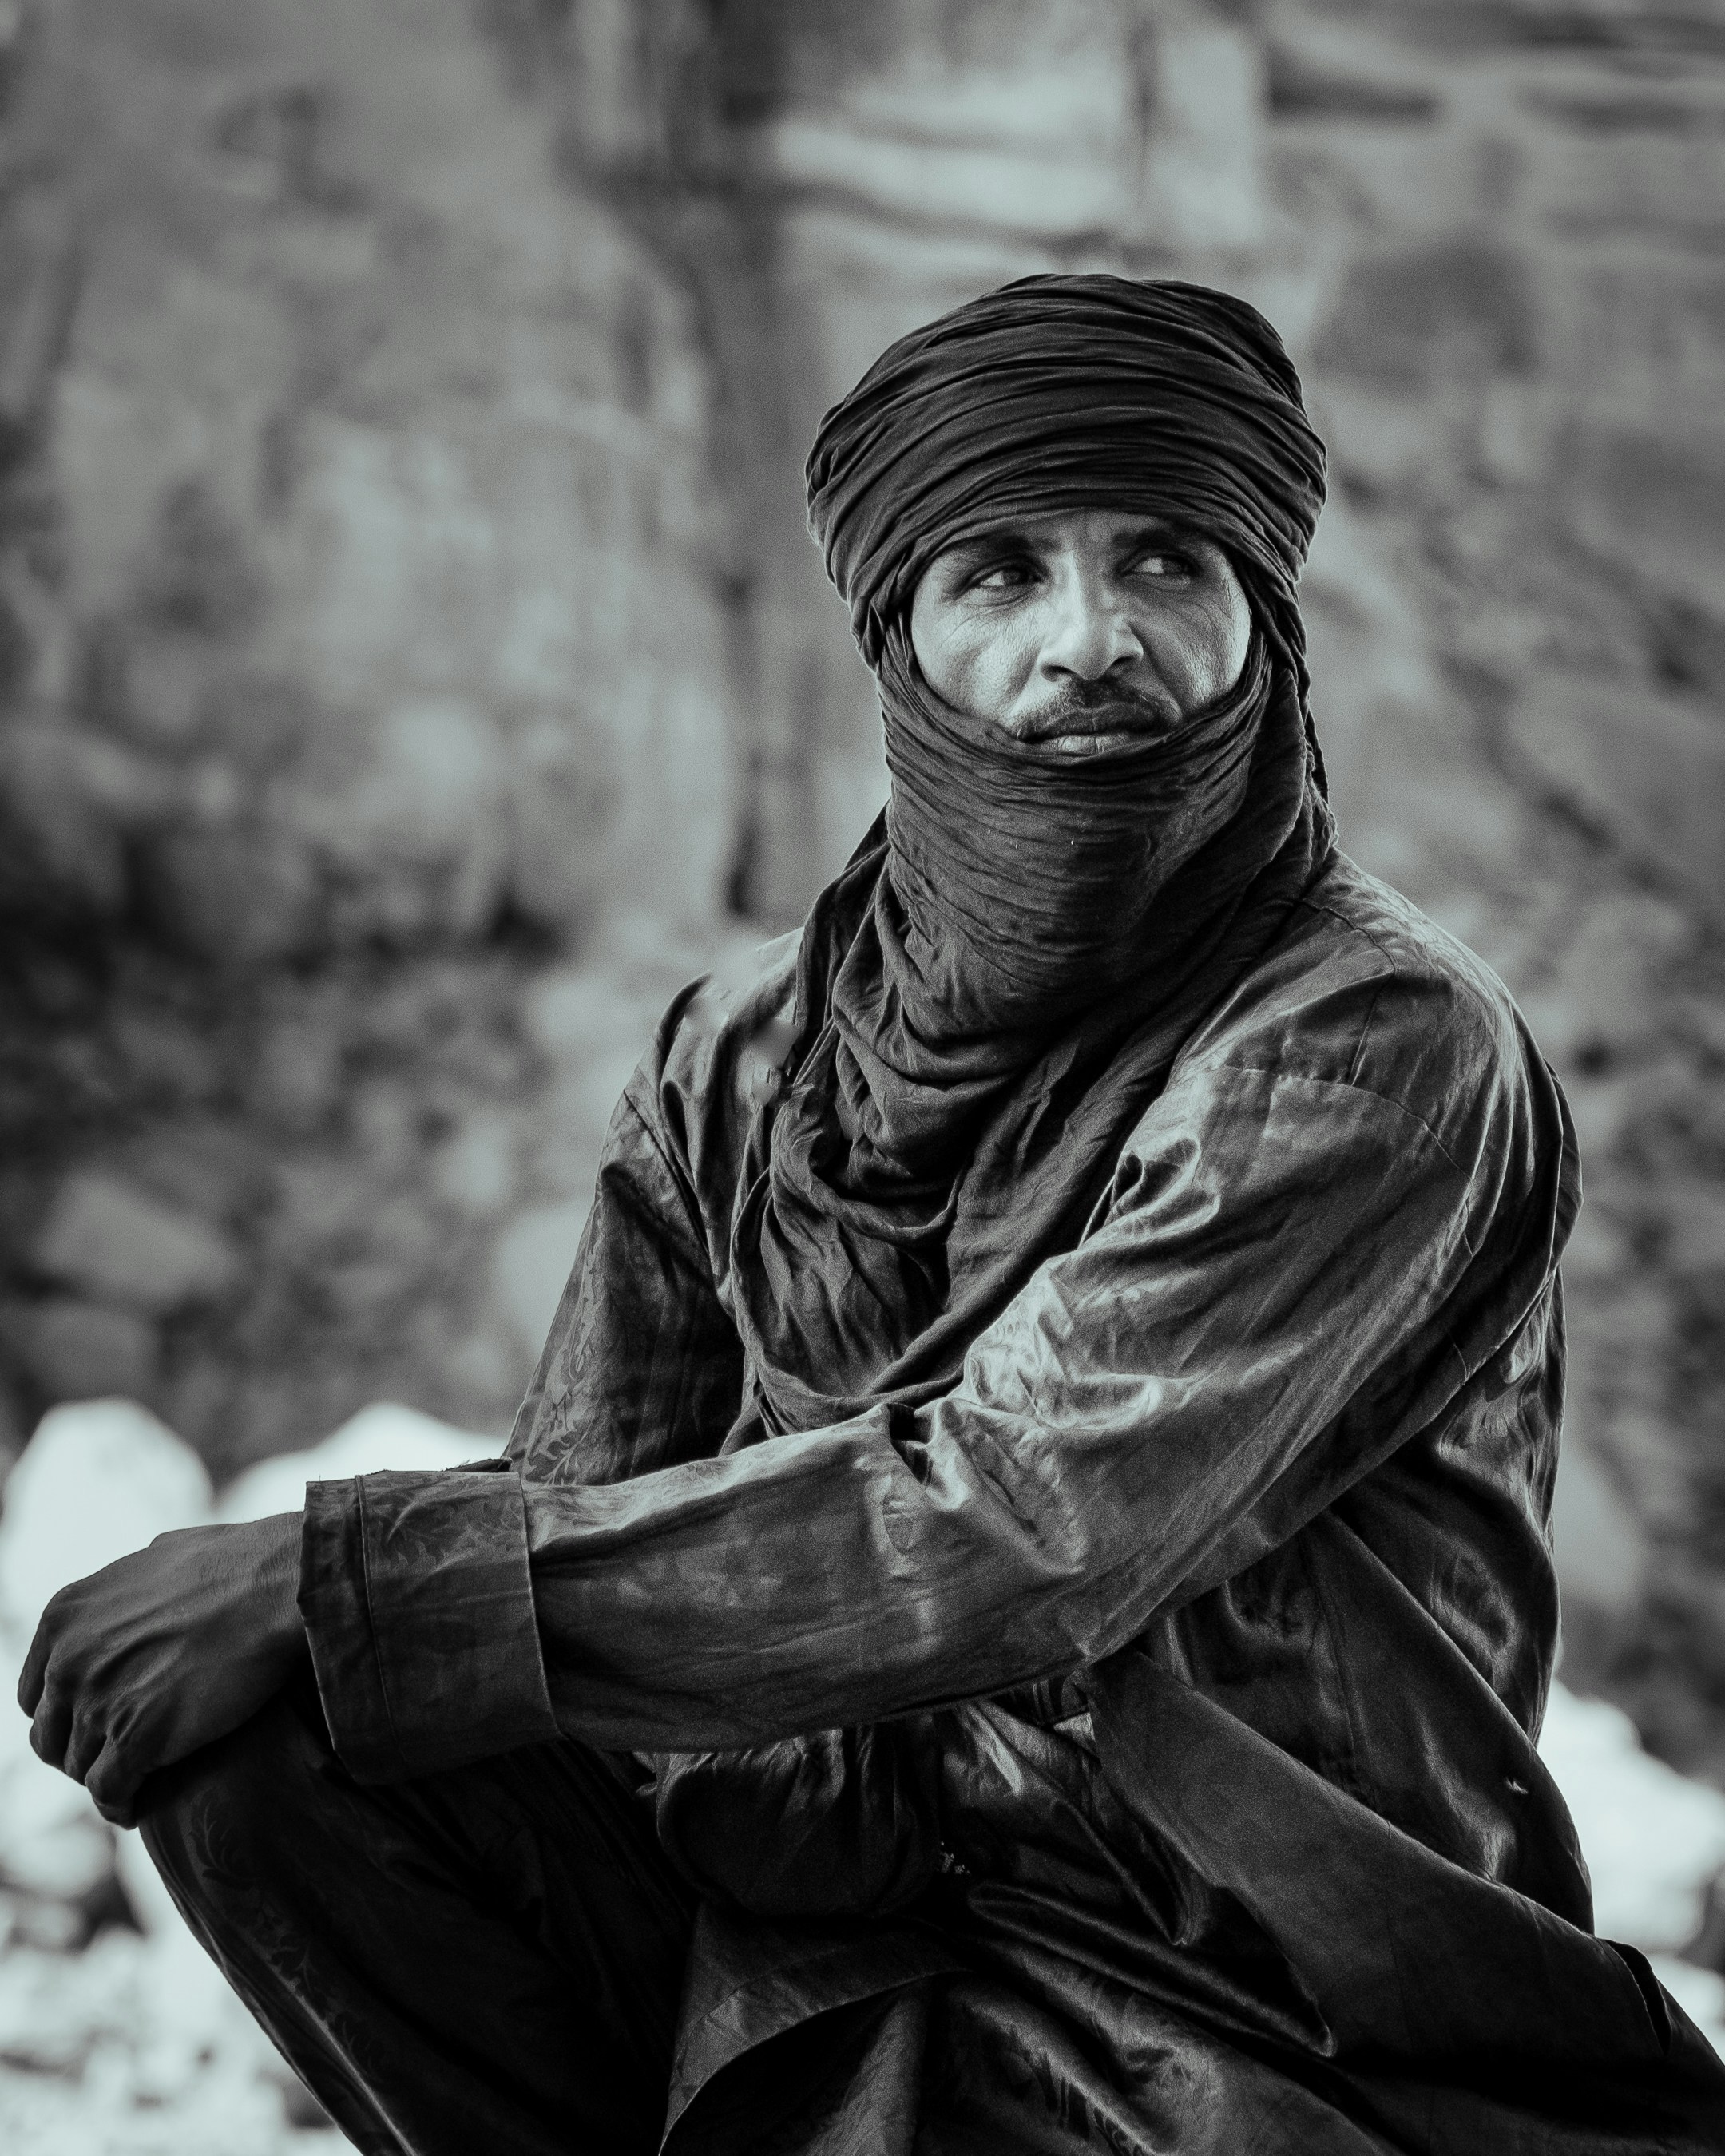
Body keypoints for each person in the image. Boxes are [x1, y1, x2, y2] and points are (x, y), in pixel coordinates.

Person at [19, 275, 1725, 2154]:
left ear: (1267, 622)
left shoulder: (1373, 1043)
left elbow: (1022, 1524)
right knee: (274, 1735)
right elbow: (581, 1513)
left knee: (353, 1628)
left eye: (1168, 561)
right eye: (999, 573)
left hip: (1239, 1994)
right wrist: (452, 1667)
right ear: (899, 636)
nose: (1092, 641)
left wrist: (331, 1574)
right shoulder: (740, 1053)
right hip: (801, 1927)